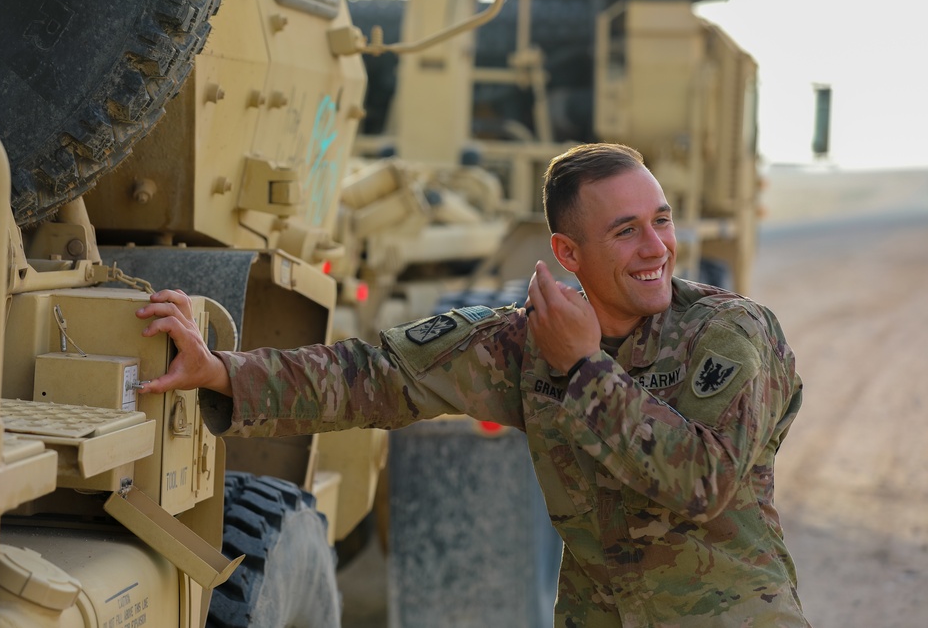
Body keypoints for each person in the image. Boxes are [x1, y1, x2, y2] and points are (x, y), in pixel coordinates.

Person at [136, 143, 810, 627]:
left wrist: (584, 368)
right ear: (567, 253)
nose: (657, 247)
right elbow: (378, 375)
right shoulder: (525, 344)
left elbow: (701, 479)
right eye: (626, 230)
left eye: (660, 220)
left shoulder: (729, 332)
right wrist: (225, 370)